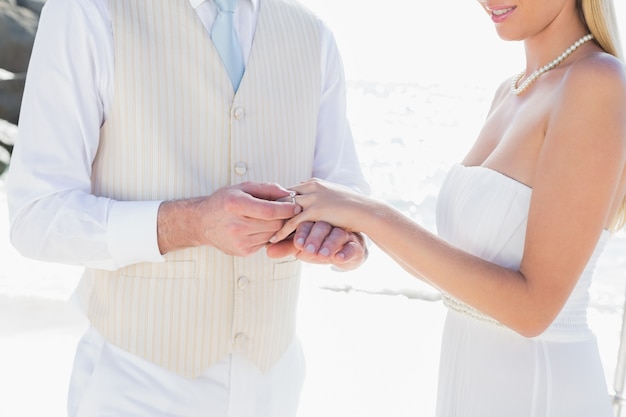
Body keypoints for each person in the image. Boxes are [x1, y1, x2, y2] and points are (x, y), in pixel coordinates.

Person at [6, 0, 369, 416]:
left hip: (276, 386)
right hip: (133, 388)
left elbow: (345, 190)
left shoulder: (313, 34)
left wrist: (343, 238)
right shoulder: (88, 12)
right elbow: (36, 216)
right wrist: (188, 224)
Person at [269, 0, 626, 415]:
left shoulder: (598, 81)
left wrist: (369, 213)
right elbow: (464, 277)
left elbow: (533, 310)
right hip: (472, 386)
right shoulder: (511, 91)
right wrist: (350, 234)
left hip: (539, 394)